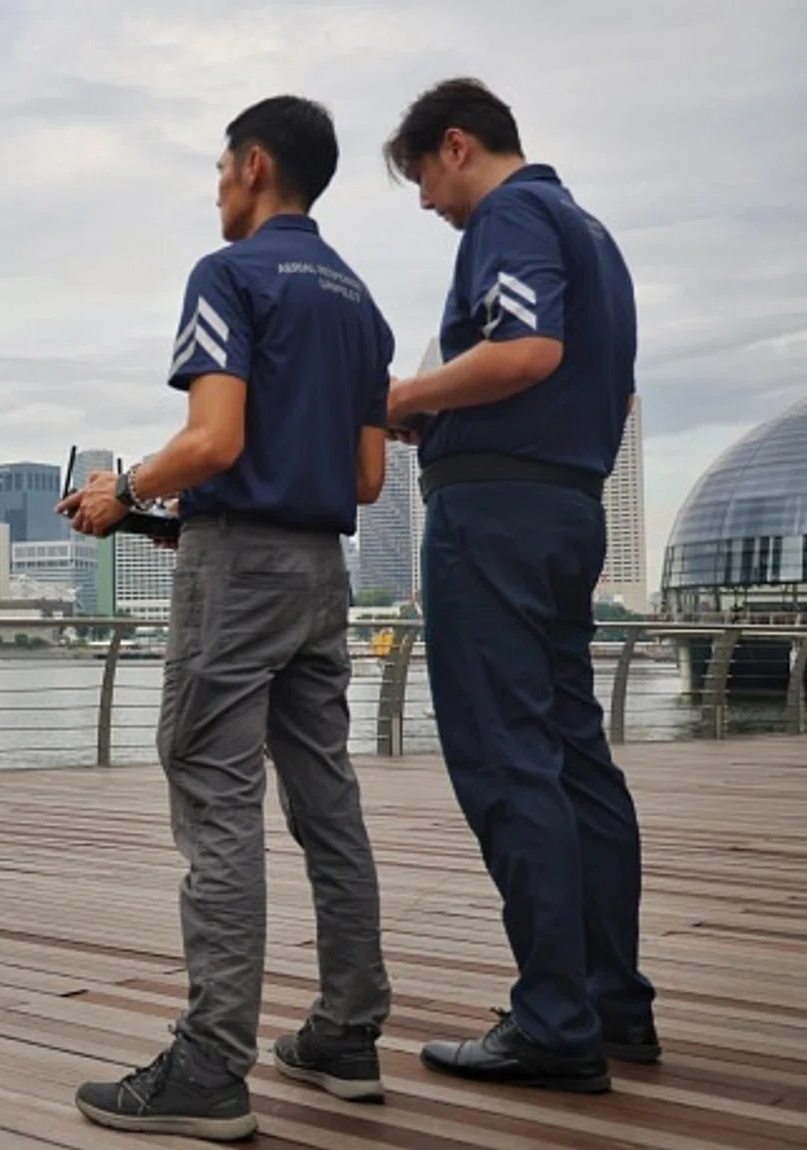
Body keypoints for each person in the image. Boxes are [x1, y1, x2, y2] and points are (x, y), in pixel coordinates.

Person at [58, 94, 395, 1141]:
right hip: (318, 575)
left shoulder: (230, 276)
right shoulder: (361, 304)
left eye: (218, 170)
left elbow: (212, 438)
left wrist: (126, 487)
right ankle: (346, 1029)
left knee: (215, 801)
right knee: (326, 801)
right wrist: (178, 522)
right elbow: (369, 476)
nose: (215, 188)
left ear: (255, 165)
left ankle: (209, 1063)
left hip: (238, 576)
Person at [382, 77, 658, 1093]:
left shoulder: (510, 212)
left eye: (422, 177)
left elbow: (528, 347)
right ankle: (611, 998)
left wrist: (410, 397)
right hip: (567, 508)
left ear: (457, 144)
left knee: (507, 759)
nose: (426, 203)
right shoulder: (593, 233)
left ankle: (552, 1021)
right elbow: (605, 384)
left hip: (492, 518)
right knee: (576, 757)